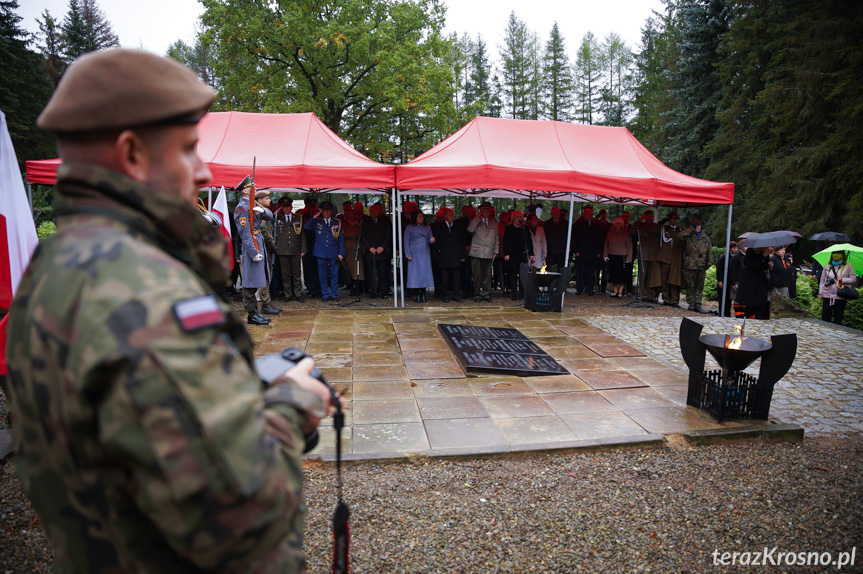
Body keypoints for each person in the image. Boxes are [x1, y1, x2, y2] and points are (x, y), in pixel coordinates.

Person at [6, 48, 336, 573]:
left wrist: (222, 392)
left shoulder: (56, 266)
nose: (203, 172)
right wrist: (293, 405)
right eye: (187, 150)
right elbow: (238, 514)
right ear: (132, 153)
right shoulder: (143, 294)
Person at [234, 178, 279, 324]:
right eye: (252, 188)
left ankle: (256, 312)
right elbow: (245, 233)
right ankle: (252, 314)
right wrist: (253, 252)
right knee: (250, 282)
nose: (255, 190)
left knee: (258, 279)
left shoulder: (253, 205)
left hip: (258, 243)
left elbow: (270, 216)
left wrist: (262, 210)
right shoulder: (242, 208)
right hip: (251, 246)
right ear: (245, 191)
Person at [304, 201, 345, 302]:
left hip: (333, 252)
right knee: (322, 275)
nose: (326, 212)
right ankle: (325, 294)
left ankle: (334, 294)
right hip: (320, 252)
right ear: (321, 211)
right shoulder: (317, 222)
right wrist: (315, 216)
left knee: (334, 274)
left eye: (328, 210)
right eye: (324, 210)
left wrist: (341, 253)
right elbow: (306, 227)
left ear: (331, 211)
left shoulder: (336, 223)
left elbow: (341, 239)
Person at [274, 196, 307, 302]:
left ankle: (298, 293)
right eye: (284, 207)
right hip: (282, 250)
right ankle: (287, 294)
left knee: (296, 273)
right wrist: (277, 211)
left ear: (291, 206)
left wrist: (303, 249)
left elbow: (302, 235)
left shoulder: (298, 218)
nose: (287, 208)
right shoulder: (277, 219)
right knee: (285, 274)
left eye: (288, 206)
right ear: (281, 208)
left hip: (295, 249)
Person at [678, 217, 714, 313]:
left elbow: (709, 250)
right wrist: (691, 229)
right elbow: (680, 236)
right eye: (695, 226)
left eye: (699, 226)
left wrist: (710, 262)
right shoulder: (688, 236)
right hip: (690, 265)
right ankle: (691, 304)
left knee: (699, 286)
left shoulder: (704, 237)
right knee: (690, 286)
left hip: (701, 265)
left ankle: (698, 304)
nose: (698, 228)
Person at [467, 201, 499, 301]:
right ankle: (477, 293)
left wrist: (496, 251)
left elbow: (496, 237)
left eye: (488, 210)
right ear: (480, 210)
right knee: (477, 274)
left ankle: (486, 293)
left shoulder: (493, 221)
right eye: (484, 209)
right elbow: (470, 230)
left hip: (489, 251)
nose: (487, 211)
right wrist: (478, 217)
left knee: (487, 275)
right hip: (477, 252)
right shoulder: (475, 220)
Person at [432, 207, 466, 302]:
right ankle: (445, 295)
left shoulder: (458, 226)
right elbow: (436, 243)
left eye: (453, 214)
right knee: (444, 278)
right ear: (445, 216)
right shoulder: (439, 227)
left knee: (456, 278)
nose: (452, 216)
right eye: (450, 214)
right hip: (444, 256)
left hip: (456, 256)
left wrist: (463, 255)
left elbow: (462, 241)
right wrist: (436, 256)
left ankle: (456, 295)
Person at [360, 202, 392, 298]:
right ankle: (373, 291)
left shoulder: (385, 221)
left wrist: (382, 247)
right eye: (371, 211)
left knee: (382, 272)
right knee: (371, 273)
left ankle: (382, 292)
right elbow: (363, 237)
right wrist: (370, 248)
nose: (373, 212)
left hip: (381, 251)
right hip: (370, 252)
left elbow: (388, 236)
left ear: (379, 212)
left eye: (374, 211)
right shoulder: (365, 221)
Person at [819, 250, 858, 325]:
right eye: (834, 253)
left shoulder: (848, 265)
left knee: (838, 318)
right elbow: (822, 280)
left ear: (843, 255)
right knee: (825, 318)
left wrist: (843, 279)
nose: (835, 255)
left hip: (840, 294)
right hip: (827, 294)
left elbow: (853, 279)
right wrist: (821, 293)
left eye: (838, 253)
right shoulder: (828, 265)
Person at [404, 211, 436, 302]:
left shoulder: (427, 227)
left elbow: (430, 241)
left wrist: (432, 240)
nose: (421, 218)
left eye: (422, 216)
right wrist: (408, 254)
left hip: (425, 252)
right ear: (415, 217)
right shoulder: (409, 228)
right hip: (414, 254)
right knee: (415, 274)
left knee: (424, 273)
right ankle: (417, 294)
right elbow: (406, 241)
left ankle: (423, 293)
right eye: (419, 216)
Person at [654, 211, 684, 306]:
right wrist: (663, 220)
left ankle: (674, 300)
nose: (673, 220)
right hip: (665, 258)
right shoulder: (663, 229)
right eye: (672, 218)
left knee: (674, 280)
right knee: (665, 280)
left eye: (675, 219)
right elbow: (653, 230)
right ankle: (666, 299)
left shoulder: (680, 230)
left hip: (676, 259)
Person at [502, 210, 533, 300]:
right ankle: (514, 294)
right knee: (513, 274)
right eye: (517, 216)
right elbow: (505, 242)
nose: (519, 218)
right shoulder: (509, 228)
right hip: (513, 254)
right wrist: (506, 253)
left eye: (520, 216)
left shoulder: (525, 228)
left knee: (523, 273)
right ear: (513, 218)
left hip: (523, 253)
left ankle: (522, 294)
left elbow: (529, 241)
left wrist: (531, 253)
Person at [573, 205, 603, 295]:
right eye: (588, 214)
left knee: (591, 273)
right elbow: (574, 239)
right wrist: (576, 250)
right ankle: (580, 289)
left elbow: (599, 239)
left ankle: (589, 289)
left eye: (591, 214)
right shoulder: (578, 225)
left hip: (592, 253)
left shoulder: (596, 225)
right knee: (581, 273)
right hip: (581, 253)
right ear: (583, 215)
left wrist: (599, 251)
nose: (590, 216)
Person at [735, 246, 772, 319]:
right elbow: (754, 264)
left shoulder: (764, 253)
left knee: (761, 305)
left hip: (761, 282)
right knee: (750, 305)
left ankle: (759, 318)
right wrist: (764, 256)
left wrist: (768, 263)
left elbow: (764, 265)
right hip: (751, 282)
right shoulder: (750, 252)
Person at [603, 217, 633, 298]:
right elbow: (606, 245)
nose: (618, 225)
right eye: (617, 223)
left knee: (622, 275)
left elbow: (630, 246)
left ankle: (620, 292)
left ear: (622, 224)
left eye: (620, 223)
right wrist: (605, 255)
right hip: (612, 256)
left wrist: (629, 258)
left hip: (622, 257)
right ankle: (615, 291)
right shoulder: (610, 233)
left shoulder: (626, 234)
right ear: (614, 224)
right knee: (613, 275)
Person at [634, 210, 660, 302]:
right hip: (643, 254)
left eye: (651, 216)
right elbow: (632, 232)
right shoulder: (640, 225)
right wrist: (639, 220)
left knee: (651, 276)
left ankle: (650, 295)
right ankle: (643, 294)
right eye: (648, 216)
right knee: (643, 276)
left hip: (653, 254)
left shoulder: (656, 226)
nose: (650, 218)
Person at [299, 196, 321, 299]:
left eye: (313, 206)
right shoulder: (301, 215)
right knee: (308, 268)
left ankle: (320, 288)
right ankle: (311, 289)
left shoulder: (320, 214)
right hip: (307, 245)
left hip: (319, 245)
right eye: (310, 206)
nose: (312, 208)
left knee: (319, 268)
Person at [341, 202, 365, 296]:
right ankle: (350, 286)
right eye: (349, 214)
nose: (351, 216)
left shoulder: (359, 225)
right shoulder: (343, 225)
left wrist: (362, 250)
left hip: (357, 249)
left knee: (358, 269)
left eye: (352, 214)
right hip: (346, 249)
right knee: (347, 269)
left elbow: (362, 238)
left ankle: (357, 288)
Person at [715, 240, 738, 316]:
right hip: (724, 279)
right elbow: (719, 269)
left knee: (729, 298)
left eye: (736, 248)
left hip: (730, 280)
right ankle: (722, 312)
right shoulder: (724, 257)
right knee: (722, 297)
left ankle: (727, 312)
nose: (735, 250)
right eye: (734, 248)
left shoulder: (735, 257)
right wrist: (720, 280)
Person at [544, 206, 570, 271]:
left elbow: (569, 236)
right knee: (550, 271)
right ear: (551, 213)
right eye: (554, 212)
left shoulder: (566, 223)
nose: (556, 213)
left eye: (557, 212)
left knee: (561, 271)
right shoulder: (546, 224)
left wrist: (569, 247)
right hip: (550, 253)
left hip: (562, 252)